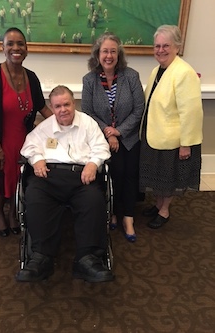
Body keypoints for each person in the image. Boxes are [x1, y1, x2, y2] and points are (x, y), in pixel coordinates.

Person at [15, 85, 114, 283]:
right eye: (57, 106)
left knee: (93, 201)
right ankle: (41, 258)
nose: (63, 110)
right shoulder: (45, 127)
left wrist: (93, 164)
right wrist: (37, 159)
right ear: (52, 108)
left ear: (73, 103)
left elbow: (101, 147)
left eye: (67, 104)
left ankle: (88, 259)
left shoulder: (88, 123)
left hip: (81, 177)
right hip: (48, 176)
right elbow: (29, 146)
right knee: (35, 198)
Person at [0, 27, 52, 238]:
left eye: (20, 44)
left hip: (22, 137)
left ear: (26, 50)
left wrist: (64, 122)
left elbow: (41, 107)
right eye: (10, 44)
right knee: (1, 175)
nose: (15, 48)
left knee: (18, 177)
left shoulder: (31, 77)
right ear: (3, 48)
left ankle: (14, 213)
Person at [81, 32, 145, 243]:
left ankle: (128, 217)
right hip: (102, 140)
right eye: (105, 51)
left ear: (119, 54)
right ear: (97, 54)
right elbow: (88, 112)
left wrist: (119, 131)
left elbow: (139, 109)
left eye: (113, 51)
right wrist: (108, 132)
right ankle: (113, 213)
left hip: (129, 139)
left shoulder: (131, 76)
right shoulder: (89, 80)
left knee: (129, 176)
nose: (109, 56)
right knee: (111, 176)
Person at [139, 25, 203, 229]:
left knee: (168, 178)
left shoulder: (184, 73)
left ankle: (164, 211)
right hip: (154, 135)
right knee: (158, 176)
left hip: (174, 140)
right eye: (157, 46)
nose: (160, 50)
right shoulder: (157, 70)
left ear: (177, 46)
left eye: (166, 45)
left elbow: (191, 112)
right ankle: (158, 205)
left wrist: (187, 144)